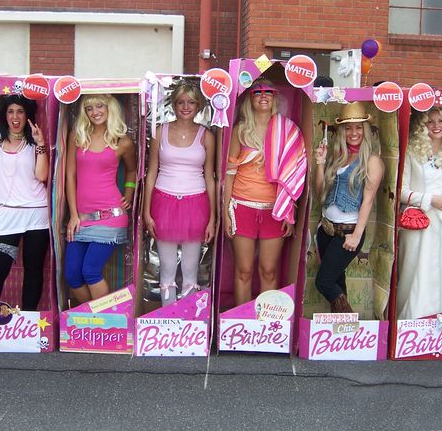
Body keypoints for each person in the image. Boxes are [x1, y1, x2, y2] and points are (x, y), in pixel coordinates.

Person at [223, 78, 307, 306]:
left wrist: (290, 213)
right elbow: (228, 174)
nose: (263, 95)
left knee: (269, 271)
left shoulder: (287, 130)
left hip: (275, 210)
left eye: (269, 91)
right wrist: (225, 213)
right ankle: (242, 321)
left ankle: (265, 327)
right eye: (257, 92)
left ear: (274, 98)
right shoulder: (240, 131)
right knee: (244, 271)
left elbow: (295, 174)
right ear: (249, 99)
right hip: (242, 206)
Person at [143, 80, 216, 306]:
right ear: (174, 105)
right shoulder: (159, 132)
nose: (186, 106)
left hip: (196, 203)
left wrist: (213, 218)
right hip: (163, 202)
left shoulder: (207, 136)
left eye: (191, 102)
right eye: (181, 102)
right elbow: (151, 173)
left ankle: (188, 322)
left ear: (198, 106)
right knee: (166, 269)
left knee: (190, 270)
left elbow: (210, 178)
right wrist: (146, 212)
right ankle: (168, 320)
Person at [0, 94, 50, 311]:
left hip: (36, 213)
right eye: (10, 111)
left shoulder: (33, 141)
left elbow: (42, 175)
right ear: (4, 115)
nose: (15, 116)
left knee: (33, 270)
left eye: (20, 111)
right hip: (4, 214)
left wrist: (41, 144)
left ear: (28, 115)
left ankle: (27, 320)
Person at [64, 94, 137, 305]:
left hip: (110, 215)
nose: (95, 112)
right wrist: (73, 215)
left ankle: (102, 324)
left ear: (110, 108)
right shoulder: (77, 136)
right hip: (81, 218)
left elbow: (132, 171)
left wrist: (129, 194)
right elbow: (70, 176)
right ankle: (95, 318)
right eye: (89, 108)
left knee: (90, 271)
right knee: (72, 274)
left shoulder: (122, 141)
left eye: (100, 106)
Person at [397, 108, 442, 319]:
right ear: (422, 126)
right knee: (414, 273)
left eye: (441, 121)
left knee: (440, 275)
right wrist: (429, 199)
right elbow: (400, 191)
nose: (436, 126)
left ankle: (437, 327)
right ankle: (410, 324)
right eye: (430, 122)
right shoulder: (412, 151)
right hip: (416, 223)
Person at [313, 101, 384, 313]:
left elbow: (368, 200)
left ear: (366, 130)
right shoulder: (338, 157)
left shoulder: (372, 161)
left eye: (358, 127)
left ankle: (348, 322)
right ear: (342, 131)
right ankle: (341, 334)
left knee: (323, 282)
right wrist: (320, 163)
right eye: (348, 127)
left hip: (348, 232)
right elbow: (320, 194)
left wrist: (356, 236)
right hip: (326, 230)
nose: (354, 132)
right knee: (337, 282)